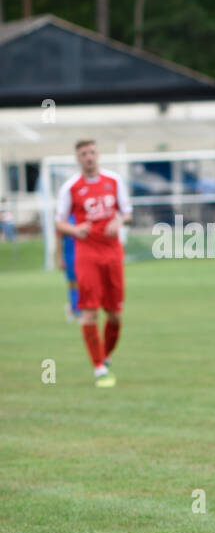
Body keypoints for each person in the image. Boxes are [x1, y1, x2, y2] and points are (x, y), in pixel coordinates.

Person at [54, 139, 132, 388]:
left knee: (116, 314)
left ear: (98, 155)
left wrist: (118, 222)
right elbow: (59, 222)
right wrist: (75, 230)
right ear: (78, 158)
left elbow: (128, 213)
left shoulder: (114, 181)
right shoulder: (71, 188)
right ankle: (98, 368)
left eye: (92, 152)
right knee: (89, 310)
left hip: (112, 253)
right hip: (87, 253)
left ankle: (105, 357)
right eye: (83, 153)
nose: (89, 157)